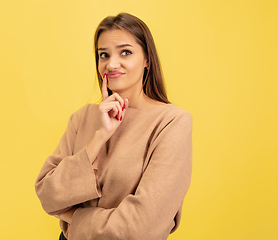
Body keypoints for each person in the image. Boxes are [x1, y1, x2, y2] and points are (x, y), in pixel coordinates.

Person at [35, 12, 192, 240]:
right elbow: (46, 195)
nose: (111, 64)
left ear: (147, 59)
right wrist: (99, 137)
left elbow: (141, 229)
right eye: (103, 55)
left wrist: (74, 217)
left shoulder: (172, 122)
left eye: (125, 52)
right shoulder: (82, 118)